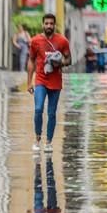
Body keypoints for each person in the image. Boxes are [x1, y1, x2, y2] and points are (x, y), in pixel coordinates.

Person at [27, 14, 71, 153]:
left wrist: (59, 62)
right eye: (46, 23)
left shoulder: (62, 41)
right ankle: (37, 138)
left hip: (56, 82)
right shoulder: (35, 41)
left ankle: (49, 142)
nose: (49, 26)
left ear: (55, 25)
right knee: (38, 109)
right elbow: (31, 61)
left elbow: (69, 59)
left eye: (51, 23)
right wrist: (29, 82)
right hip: (40, 80)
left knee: (51, 113)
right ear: (43, 25)